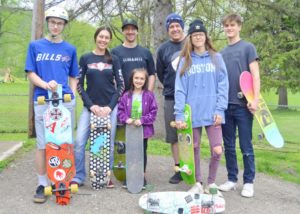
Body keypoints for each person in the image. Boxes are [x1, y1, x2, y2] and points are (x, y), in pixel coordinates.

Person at [25, 6, 79, 203]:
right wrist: (45, 85)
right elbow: (30, 73)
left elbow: (74, 76)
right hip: (43, 100)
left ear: (64, 25)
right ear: (48, 22)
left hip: (64, 104)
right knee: (42, 144)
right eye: (53, 22)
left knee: (64, 143)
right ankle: (42, 183)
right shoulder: (35, 46)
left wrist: (71, 95)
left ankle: (61, 181)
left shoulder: (70, 49)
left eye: (60, 23)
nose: (56, 26)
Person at [174, 19, 228, 194]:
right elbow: (180, 89)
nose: (198, 37)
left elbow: (223, 85)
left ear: (205, 37)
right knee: (194, 149)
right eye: (195, 35)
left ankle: (211, 183)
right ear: (190, 38)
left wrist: (220, 109)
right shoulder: (184, 60)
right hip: (192, 114)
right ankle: (197, 183)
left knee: (217, 149)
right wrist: (180, 114)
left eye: (201, 34)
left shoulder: (216, 58)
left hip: (213, 113)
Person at [71, 26, 124, 188]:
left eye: (107, 38)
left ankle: (104, 176)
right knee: (79, 142)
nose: (103, 40)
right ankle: (79, 176)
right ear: (96, 37)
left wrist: (110, 106)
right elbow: (79, 85)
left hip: (110, 108)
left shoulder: (114, 59)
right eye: (101, 37)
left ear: (109, 40)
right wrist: (90, 105)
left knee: (106, 143)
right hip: (90, 108)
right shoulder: (86, 58)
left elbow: (121, 85)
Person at [218, 13, 260, 198]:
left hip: (244, 106)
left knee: (245, 145)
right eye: (226, 25)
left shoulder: (248, 47)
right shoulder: (221, 53)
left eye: (232, 25)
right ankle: (232, 179)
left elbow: (255, 75)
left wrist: (255, 99)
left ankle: (249, 182)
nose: (229, 28)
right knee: (228, 145)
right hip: (226, 106)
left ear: (239, 27)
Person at [156, 13, 185, 184]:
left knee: (190, 134)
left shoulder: (190, 44)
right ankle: (179, 169)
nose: (174, 29)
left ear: (182, 27)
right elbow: (161, 73)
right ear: (168, 30)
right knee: (173, 135)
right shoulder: (163, 49)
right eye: (171, 27)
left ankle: (193, 169)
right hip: (171, 97)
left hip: (191, 98)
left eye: (177, 26)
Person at [117, 68, 158, 188]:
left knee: (141, 153)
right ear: (132, 79)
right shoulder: (126, 96)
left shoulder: (149, 96)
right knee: (130, 153)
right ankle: (130, 175)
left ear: (145, 80)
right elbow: (120, 111)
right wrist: (126, 119)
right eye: (136, 78)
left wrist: (143, 120)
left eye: (142, 78)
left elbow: (153, 112)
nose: (139, 81)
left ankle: (141, 176)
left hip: (143, 131)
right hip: (130, 130)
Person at [111, 19, 156, 91]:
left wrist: (148, 94)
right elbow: (112, 76)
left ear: (137, 31)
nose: (130, 32)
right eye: (127, 29)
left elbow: (152, 74)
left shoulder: (146, 52)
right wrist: (117, 95)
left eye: (133, 29)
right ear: (123, 32)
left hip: (141, 96)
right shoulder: (115, 52)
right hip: (121, 98)